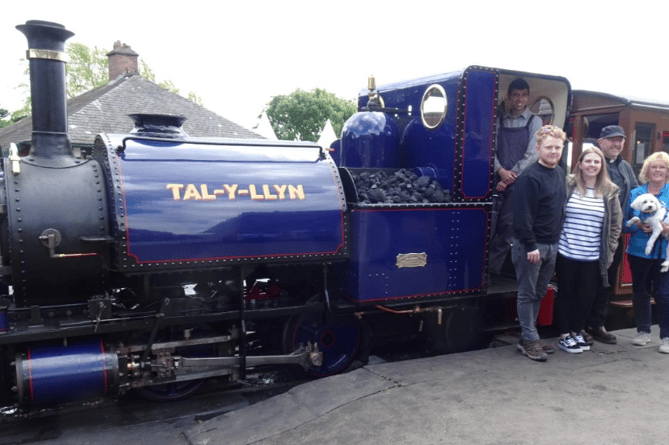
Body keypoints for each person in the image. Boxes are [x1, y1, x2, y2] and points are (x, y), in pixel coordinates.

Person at [555, 147, 622, 353]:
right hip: (566, 252)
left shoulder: (610, 191)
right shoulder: (568, 185)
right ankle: (564, 335)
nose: (592, 165)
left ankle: (577, 332)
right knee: (566, 293)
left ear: (601, 166)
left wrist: (609, 252)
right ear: (581, 164)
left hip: (593, 255)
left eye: (597, 162)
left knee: (587, 296)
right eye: (588, 161)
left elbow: (615, 226)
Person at [513, 125, 567, 361]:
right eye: (548, 147)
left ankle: (529, 336)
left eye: (557, 147)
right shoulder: (529, 177)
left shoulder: (560, 173)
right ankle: (530, 339)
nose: (553, 151)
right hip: (531, 246)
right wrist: (531, 245)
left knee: (538, 293)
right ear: (538, 148)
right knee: (526, 293)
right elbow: (522, 217)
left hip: (551, 245)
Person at [585, 125, 638, 344]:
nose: (617, 144)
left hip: (614, 237)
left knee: (605, 281)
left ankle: (597, 324)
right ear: (601, 142)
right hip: (590, 234)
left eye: (621, 140)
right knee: (586, 280)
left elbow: (635, 194)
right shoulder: (593, 164)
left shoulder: (625, 167)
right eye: (613, 140)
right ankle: (579, 325)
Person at [489, 78, 542, 276]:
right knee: (491, 224)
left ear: (528, 97)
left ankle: (493, 272)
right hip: (497, 179)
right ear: (509, 97)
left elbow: (532, 154)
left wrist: (509, 177)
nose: (519, 99)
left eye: (524, 95)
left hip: (520, 184)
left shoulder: (534, 121)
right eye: (516, 95)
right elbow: (490, 149)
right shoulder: (499, 120)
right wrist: (500, 171)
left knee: (508, 227)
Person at [623, 152, 669, 354]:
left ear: (667, 171)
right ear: (647, 170)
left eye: (662, 167)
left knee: (664, 294)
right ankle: (643, 331)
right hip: (638, 251)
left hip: (664, 253)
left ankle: (666, 336)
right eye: (654, 167)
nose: (658, 170)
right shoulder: (635, 193)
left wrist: (666, 229)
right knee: (640, 292)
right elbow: (625, 224)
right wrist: (639, 225)